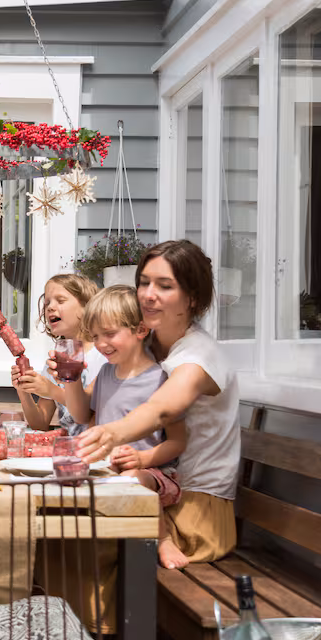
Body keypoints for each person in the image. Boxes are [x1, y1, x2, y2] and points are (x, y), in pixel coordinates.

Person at [78, 240, 240, 570]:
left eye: (164, 286)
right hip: (143, 489)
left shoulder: (199, 356)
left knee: (86, 540)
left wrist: (112, 433)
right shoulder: (146, 341)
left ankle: (93, 623)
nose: (148, 294)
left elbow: (161, 409)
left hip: (194, 507)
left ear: (192, 298)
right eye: (144, 282)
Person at [57, 286, 185, 543]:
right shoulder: (105, 373)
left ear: (140, 329)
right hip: (105, 472)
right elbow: (81, 414)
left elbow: (178, 441)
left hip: (151, 475)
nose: (101, 343)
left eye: (110, 333)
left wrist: (141, 458)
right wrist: (69, 378)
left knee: (130, 481)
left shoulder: (161, 379)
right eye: (95, 336)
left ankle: (164, 541)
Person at [11, 273, 107, 433]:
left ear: (87, 307)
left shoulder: (104, 354)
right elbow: (40, 423)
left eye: (60, 301)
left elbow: (92, 413)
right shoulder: (55, 361)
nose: (50, 307)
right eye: (47, 302)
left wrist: (52, 391)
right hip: (70, 450)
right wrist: (23, 392)